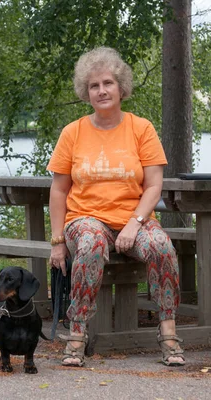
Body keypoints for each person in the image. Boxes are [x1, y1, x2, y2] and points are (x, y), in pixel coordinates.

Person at [47, 46, 185, 368]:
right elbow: (58, 190)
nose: (102, 91)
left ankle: (168, 334)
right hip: (86, 219)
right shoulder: (73, 132)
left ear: (121, 87)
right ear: (86, 92)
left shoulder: (142, 129)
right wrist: (56, 242)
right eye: (94, 85)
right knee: (92, 244)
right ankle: (77, 335)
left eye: (108, 83)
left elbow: (153, 185)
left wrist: (136, 223)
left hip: (133, 220)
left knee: (162, 246)